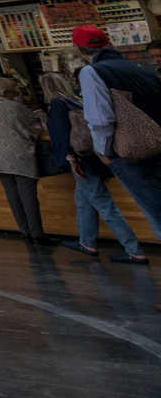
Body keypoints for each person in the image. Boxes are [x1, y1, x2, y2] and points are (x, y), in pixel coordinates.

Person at [41, 70, 145, 264]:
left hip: (80, 161)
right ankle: (87, 242)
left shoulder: (56, 105)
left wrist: (70, 160)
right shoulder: (76, 101)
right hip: (93, 158)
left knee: (105, 205)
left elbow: (61, 137)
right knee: (83, 201)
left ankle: (134, 250)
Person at [72, 24, 161, 239]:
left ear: (79, 49)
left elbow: (100, 119)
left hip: (129, 151)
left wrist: (103, 151)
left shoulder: (92, 71)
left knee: (154, 209)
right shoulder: (140, 69)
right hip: (156, 143)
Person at [0, 75, 51, 245]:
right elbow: (35, 130)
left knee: (12, 195)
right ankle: (37, 235)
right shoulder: (16, 107)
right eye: (13, 91)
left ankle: (24, 232)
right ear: (6, 92)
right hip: (19, 156)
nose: (16, 94)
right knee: (28, 197)